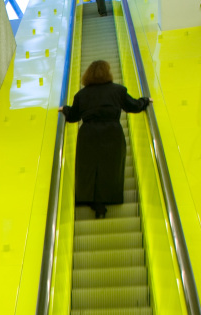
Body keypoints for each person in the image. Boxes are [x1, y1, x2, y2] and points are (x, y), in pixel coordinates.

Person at [59, 60, 150, 218]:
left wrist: (64, 110)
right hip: (112, 132)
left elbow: (73, 116)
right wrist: (145, 101)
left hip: (88, 134)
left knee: (89, 167)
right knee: (111, 166)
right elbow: (133, 106)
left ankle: (89, 199)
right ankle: (108, 198)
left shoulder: (82, 95)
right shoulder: (118, 91)